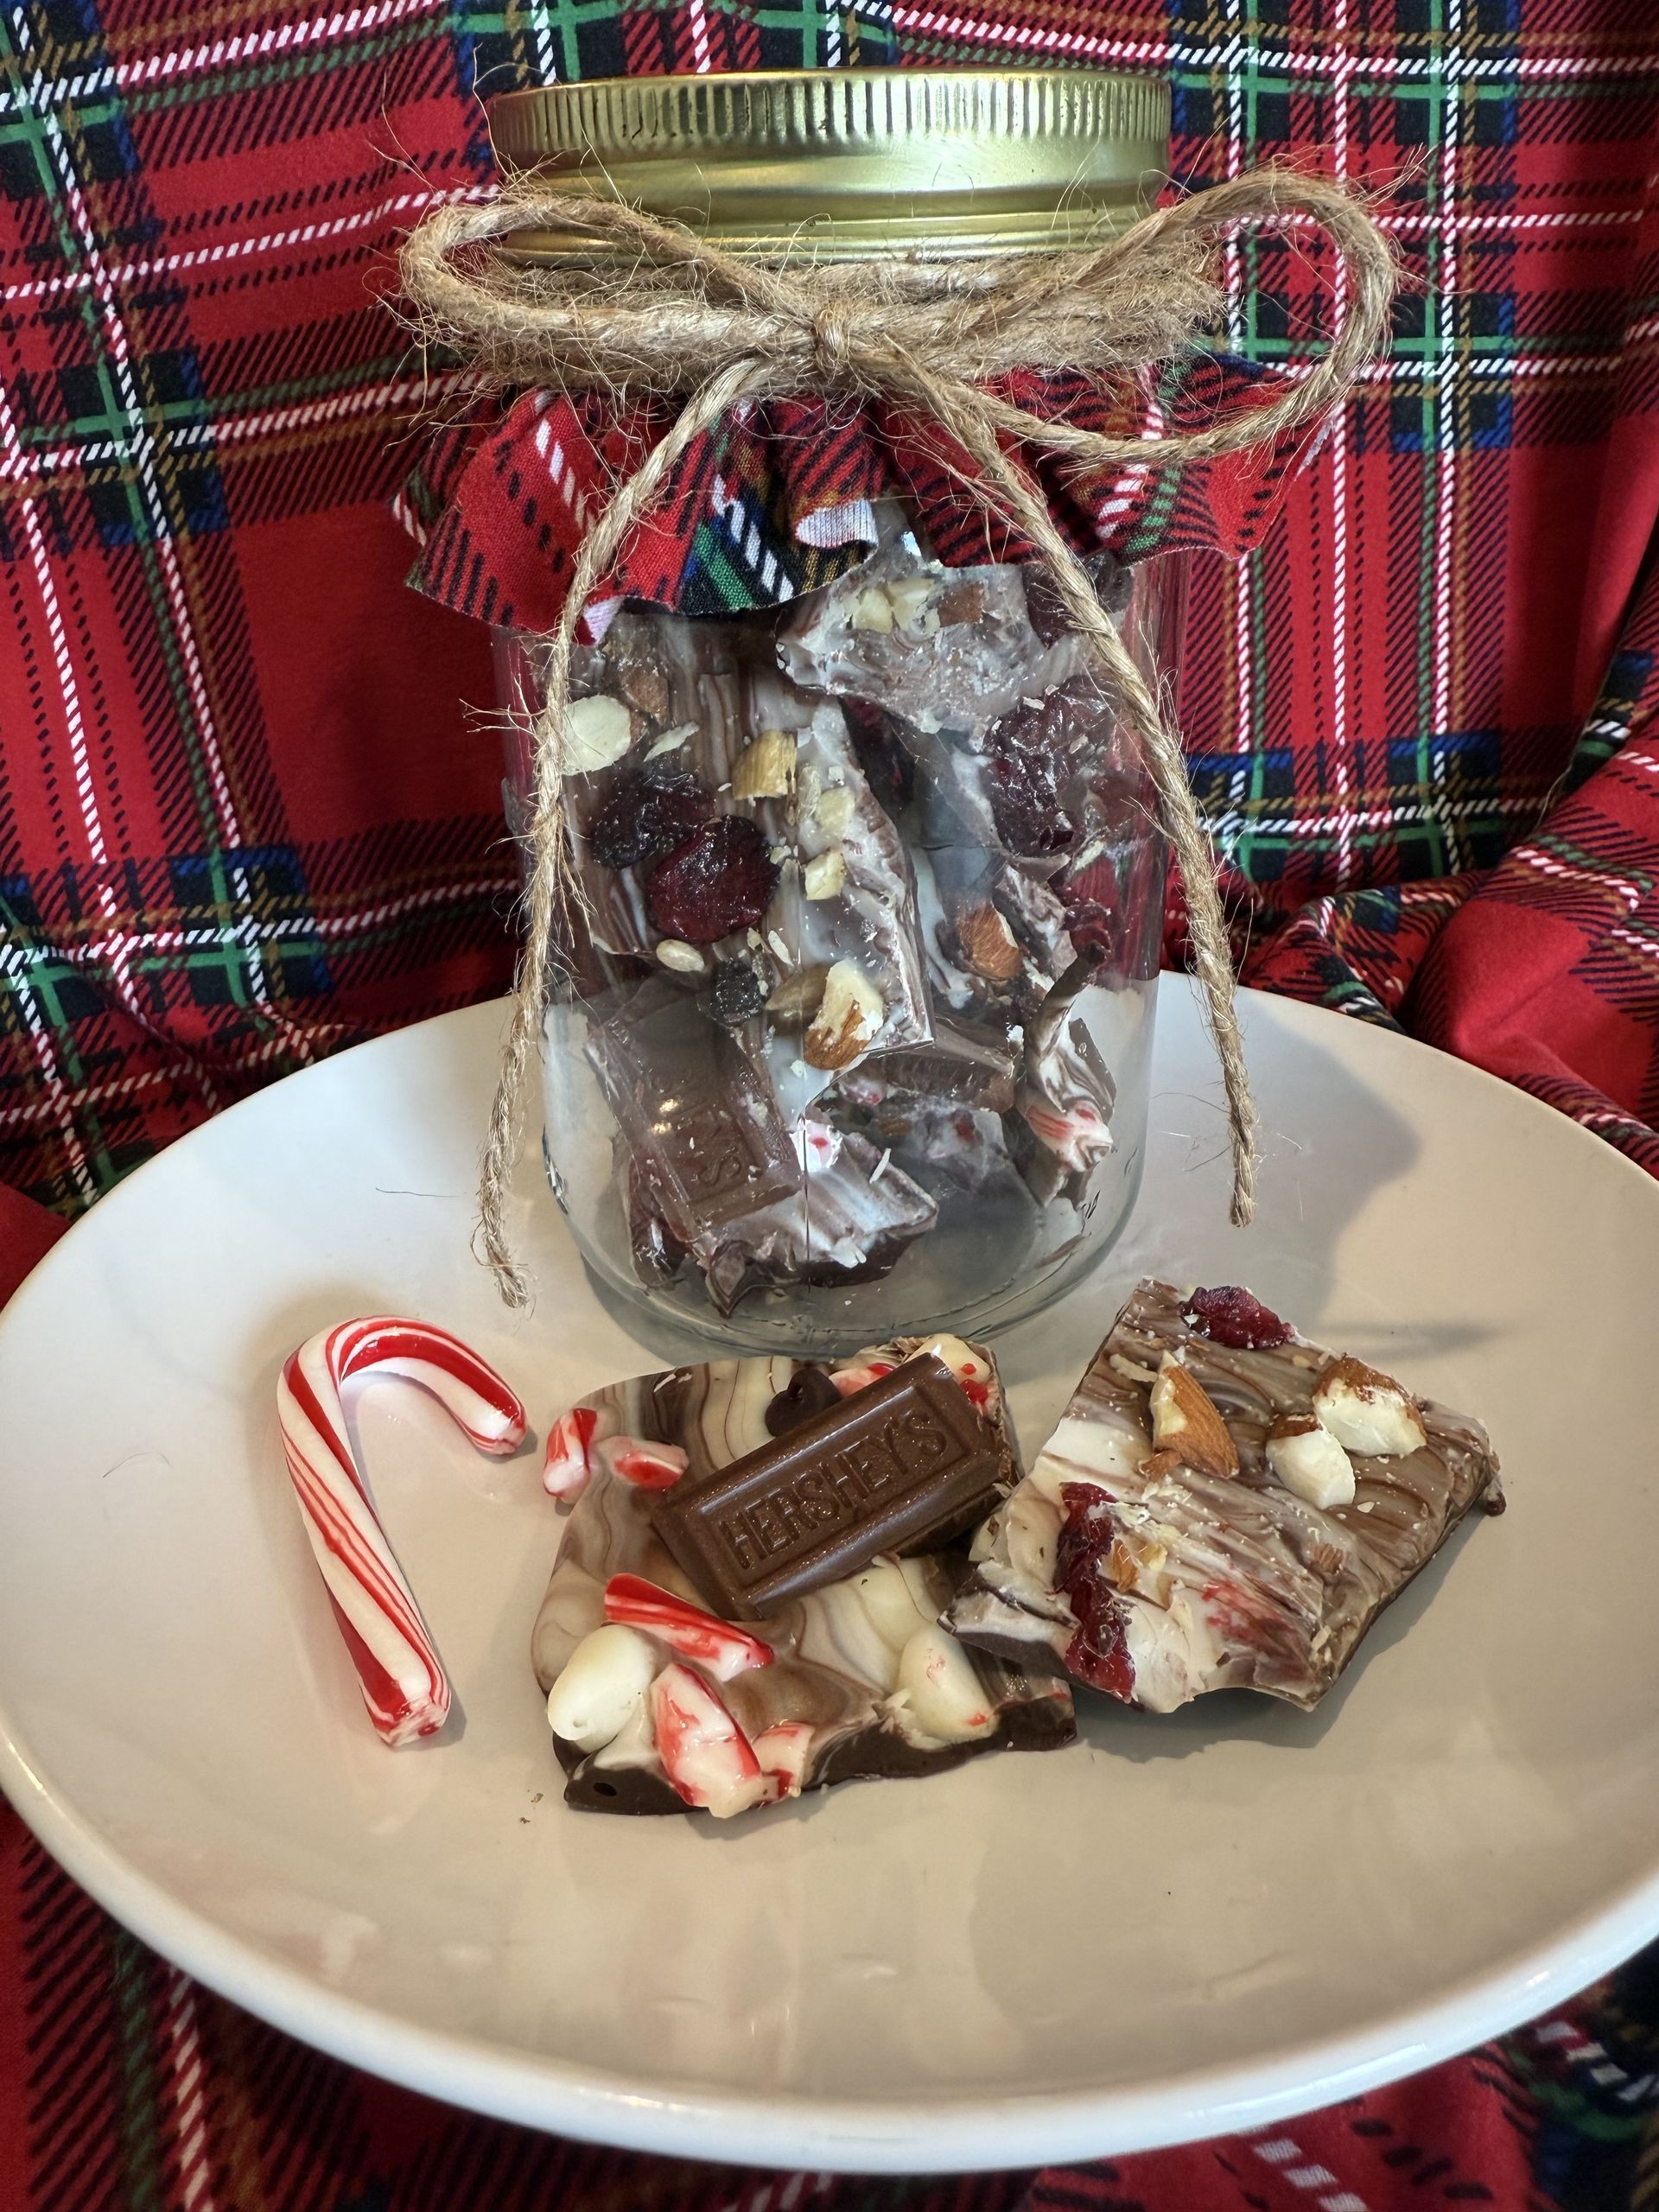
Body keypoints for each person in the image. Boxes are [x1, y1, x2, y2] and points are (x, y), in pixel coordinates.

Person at [2, 5, 1656, 2205]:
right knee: (689, 879)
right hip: (708, 1138)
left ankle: (998, 1189)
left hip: (993, 1159)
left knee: (946, 868)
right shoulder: (628, 501)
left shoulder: (1032, 479)